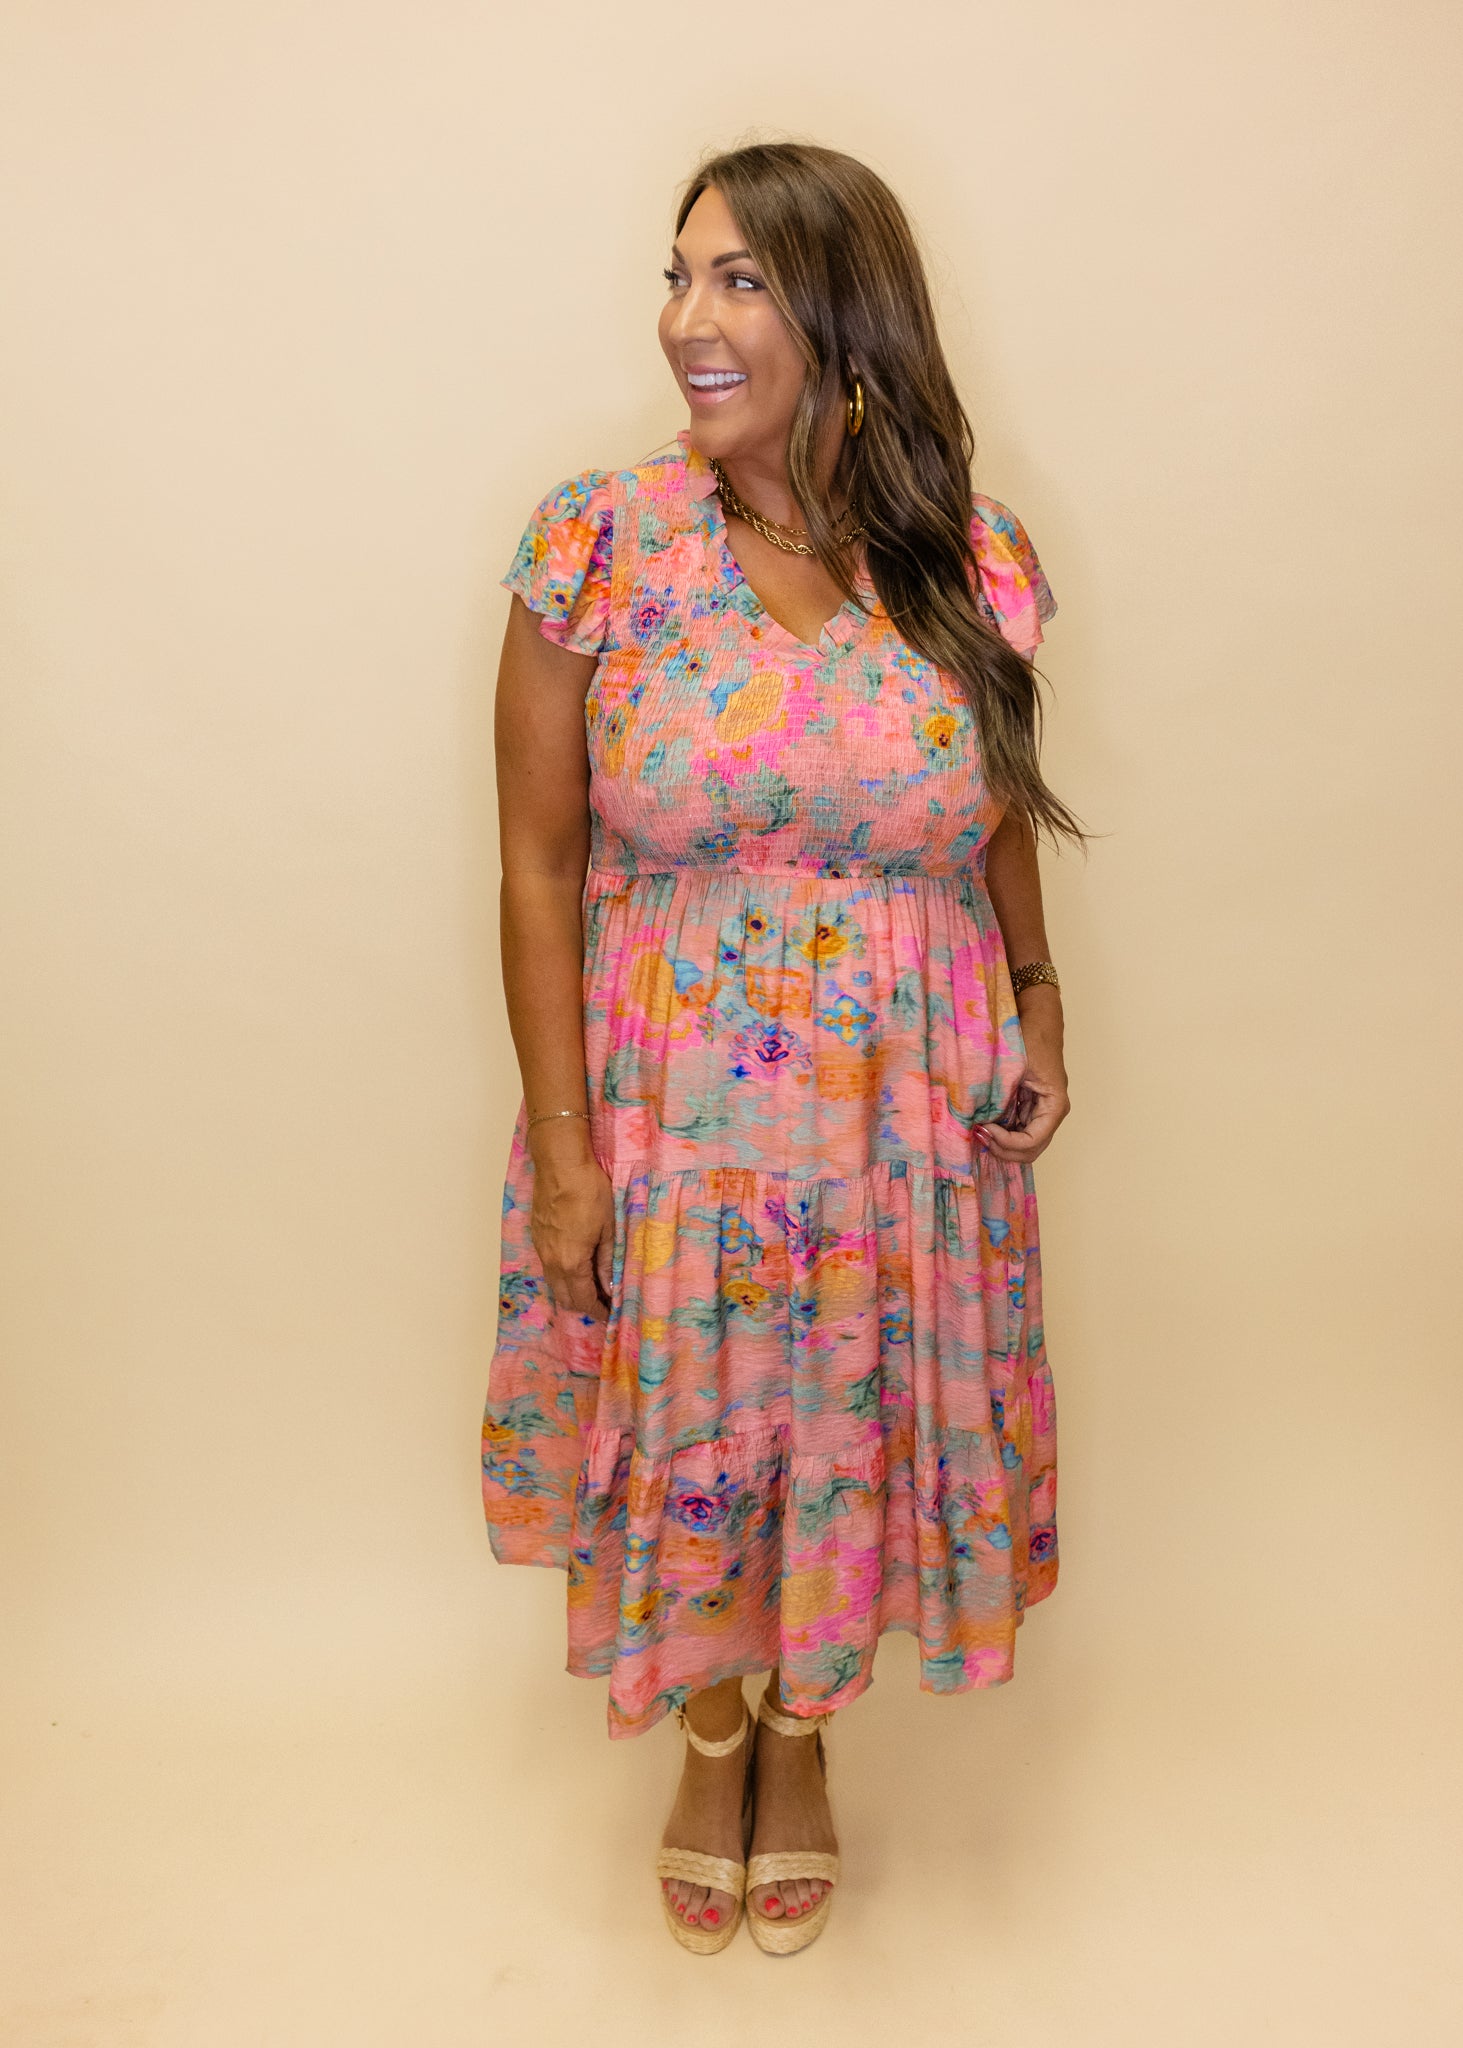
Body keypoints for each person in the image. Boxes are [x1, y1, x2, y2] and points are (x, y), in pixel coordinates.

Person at [482, 140, 1079, 1956]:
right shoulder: (602, 542)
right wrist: (568, 1149)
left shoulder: (968, 555)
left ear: (848, 314)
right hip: (677, 1111)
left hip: (905, 1117)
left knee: (848, 1423)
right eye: (679, 277)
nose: (688, 320)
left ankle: (806, 1732)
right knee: (701, 1425)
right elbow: (537, 862)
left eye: (738, 281)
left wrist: (1040, 992)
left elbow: (987, 811)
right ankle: (715, 1730)